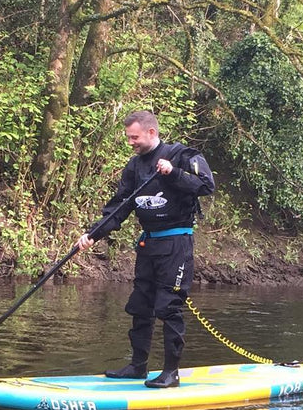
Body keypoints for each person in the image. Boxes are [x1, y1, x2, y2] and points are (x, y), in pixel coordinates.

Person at [77, 110, 215, 389]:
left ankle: (170, 373)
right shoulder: (134, 167)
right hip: (148, 244)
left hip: (176, 244)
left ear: (151, 132)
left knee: (168, 307)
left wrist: (173, 173)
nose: (131, 142)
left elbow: (206, 185)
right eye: (129, 137)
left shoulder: (183, 155)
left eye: (134, 137)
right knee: (141, 306)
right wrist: (93, 234)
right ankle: (138, 366)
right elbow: (120, 205)